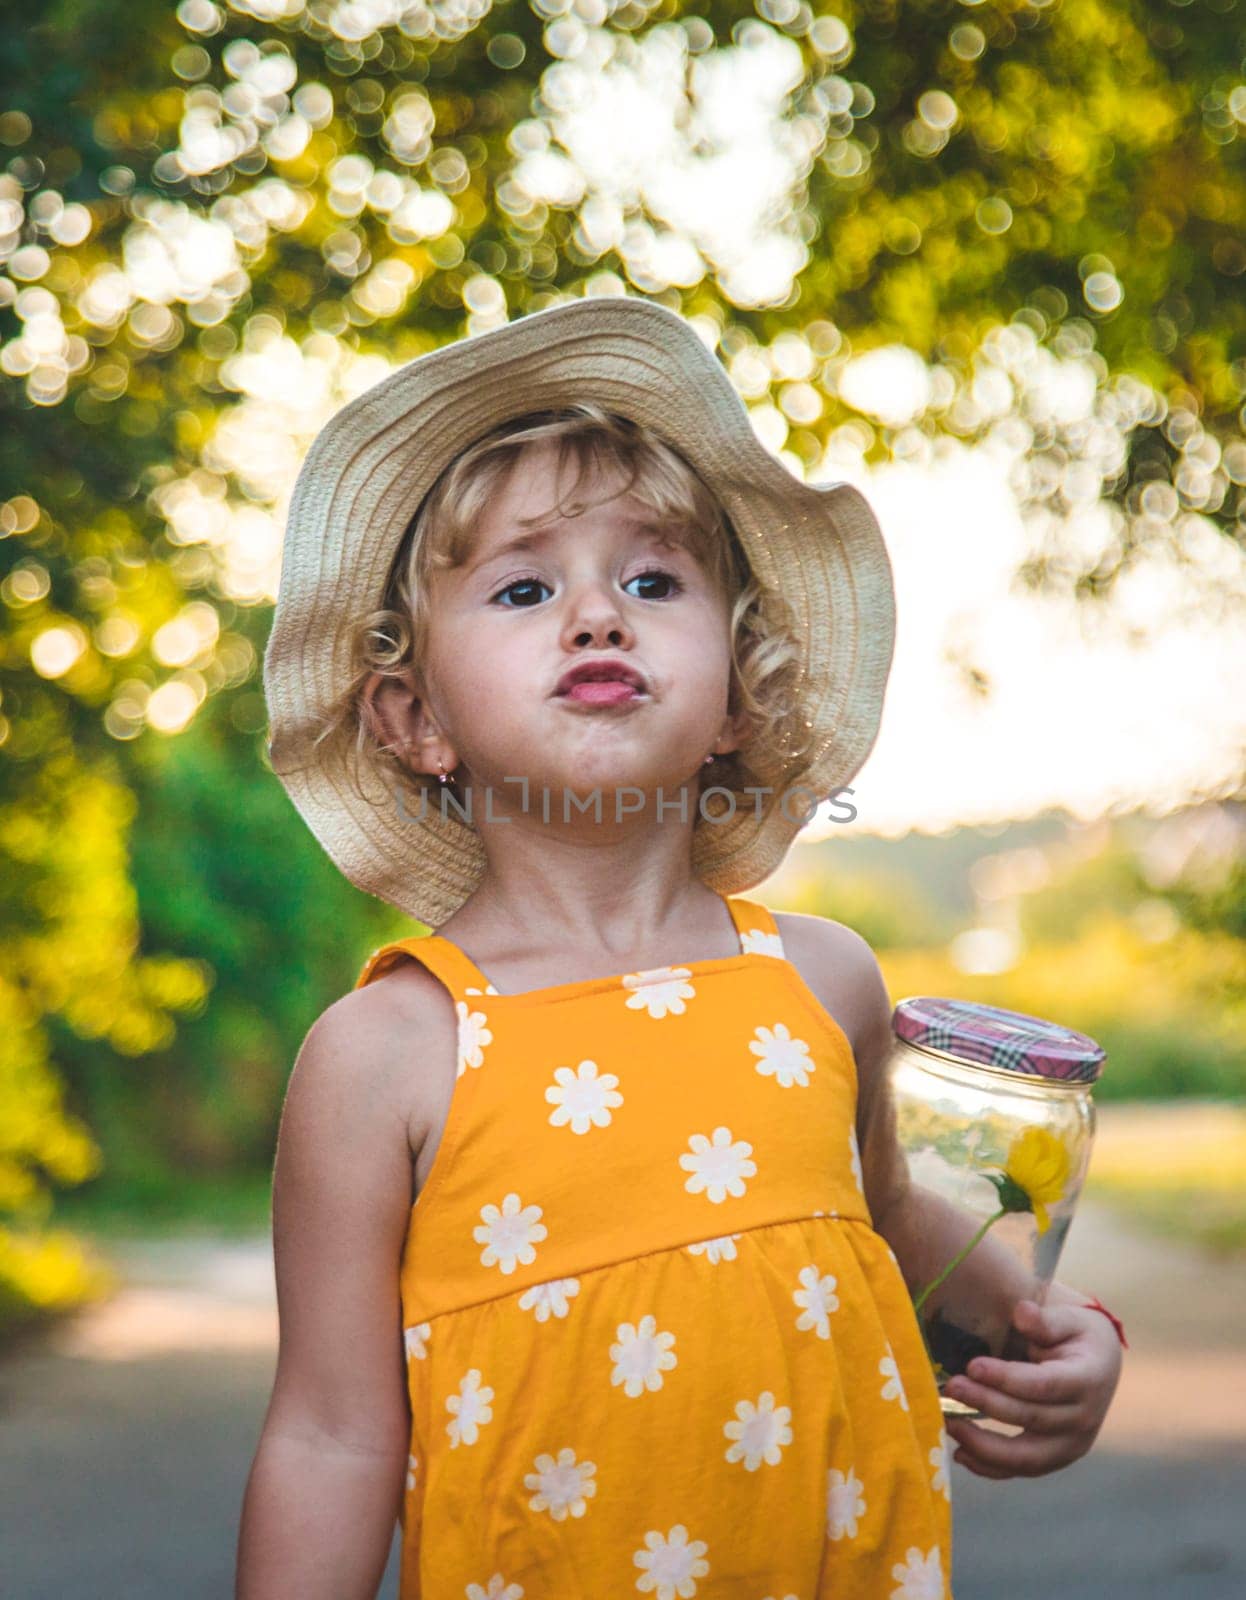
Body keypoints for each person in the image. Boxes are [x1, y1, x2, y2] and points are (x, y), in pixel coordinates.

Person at [238, 297, 1126, 1599]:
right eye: (526, 587)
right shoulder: (389, 1051)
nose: (597, 616)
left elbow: (888, 1219)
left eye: (652, 582)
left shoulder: (818, 981)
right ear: (416, 715)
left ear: (734, 688)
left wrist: (1055, 1340)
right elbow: (327, 1432)